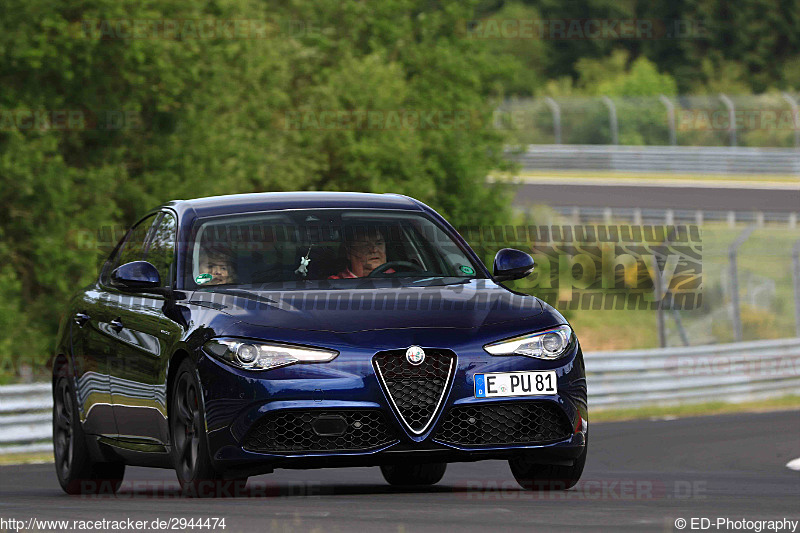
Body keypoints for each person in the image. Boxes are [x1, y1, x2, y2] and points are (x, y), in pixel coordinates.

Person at [329, 226, 394, 279]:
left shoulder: (399, 277)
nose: (374, 250)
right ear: (348, 252)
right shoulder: (336, 283)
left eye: (379, 243)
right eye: (365, 245)